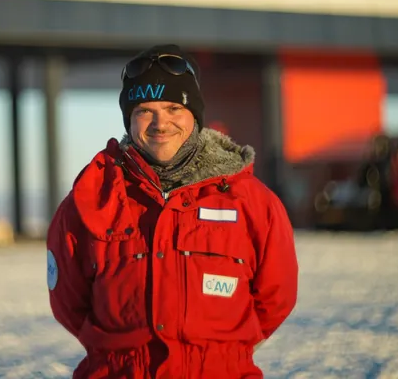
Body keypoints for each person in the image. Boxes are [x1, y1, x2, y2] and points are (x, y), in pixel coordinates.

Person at [46, 44, 299, 378]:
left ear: (193, 114)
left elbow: (275, 299)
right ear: (129, 119)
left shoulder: (252, 202)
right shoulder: (92, 198)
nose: (159, 123)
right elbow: (69, 304)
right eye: (144, 111)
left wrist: (221, 353)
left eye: (172, 108)